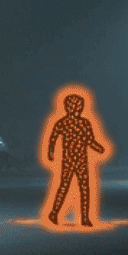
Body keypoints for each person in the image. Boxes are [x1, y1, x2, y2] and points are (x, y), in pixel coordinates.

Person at [46, 91, 108, 227]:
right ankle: (55, 213)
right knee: (68, 187)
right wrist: (50, 152)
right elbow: (53, 137)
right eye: (76, 105)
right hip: (70, 160)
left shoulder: (82, 123)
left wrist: (99, 148)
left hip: (79, 160)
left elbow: (89, 140)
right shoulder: (67, 122)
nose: (77, 108)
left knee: (82, 188)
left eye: (79, 105)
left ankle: (84, 217)